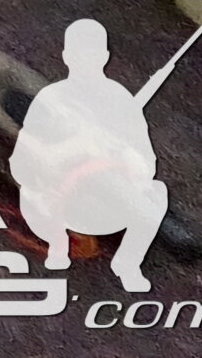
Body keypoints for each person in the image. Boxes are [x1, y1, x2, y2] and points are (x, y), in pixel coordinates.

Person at [15, 19, 170, 292]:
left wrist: (125, 155)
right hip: (67, 182)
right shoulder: (52, 99)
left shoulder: (115, 98)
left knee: (151, 199)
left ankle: (128, 263)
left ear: (105, 57)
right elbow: (36, 162)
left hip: (111, 172)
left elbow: (135, 148)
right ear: (66, 56)